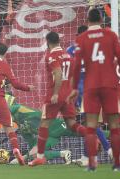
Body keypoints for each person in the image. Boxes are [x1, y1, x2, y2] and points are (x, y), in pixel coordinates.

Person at [67, 8, 120, 171]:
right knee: (115, 126)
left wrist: (74, 88)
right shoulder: (111, 35)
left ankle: (91, 163)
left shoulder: (81, 38)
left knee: (91, 125)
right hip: (110, 86)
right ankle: (117, 163)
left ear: (88, 21)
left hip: (90, 86)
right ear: (102, 20)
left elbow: (76, 66)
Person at [28, 31, 87, 166]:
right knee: (72, 124)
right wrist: (71, 93)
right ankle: (92, 136)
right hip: (67, 95)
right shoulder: (68, 55)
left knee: (44, 124)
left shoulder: (51, 55)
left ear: (48, 42)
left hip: (55, 95)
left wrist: (55, 93)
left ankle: (40, 157)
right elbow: (72, 77)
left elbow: (58, 73)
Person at [67, 25, 113, 165]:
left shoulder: (70, 50)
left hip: (82, 89)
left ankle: (109, 149)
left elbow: (70, 72)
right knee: (90, 123)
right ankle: (87, 157)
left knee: (89, 123)